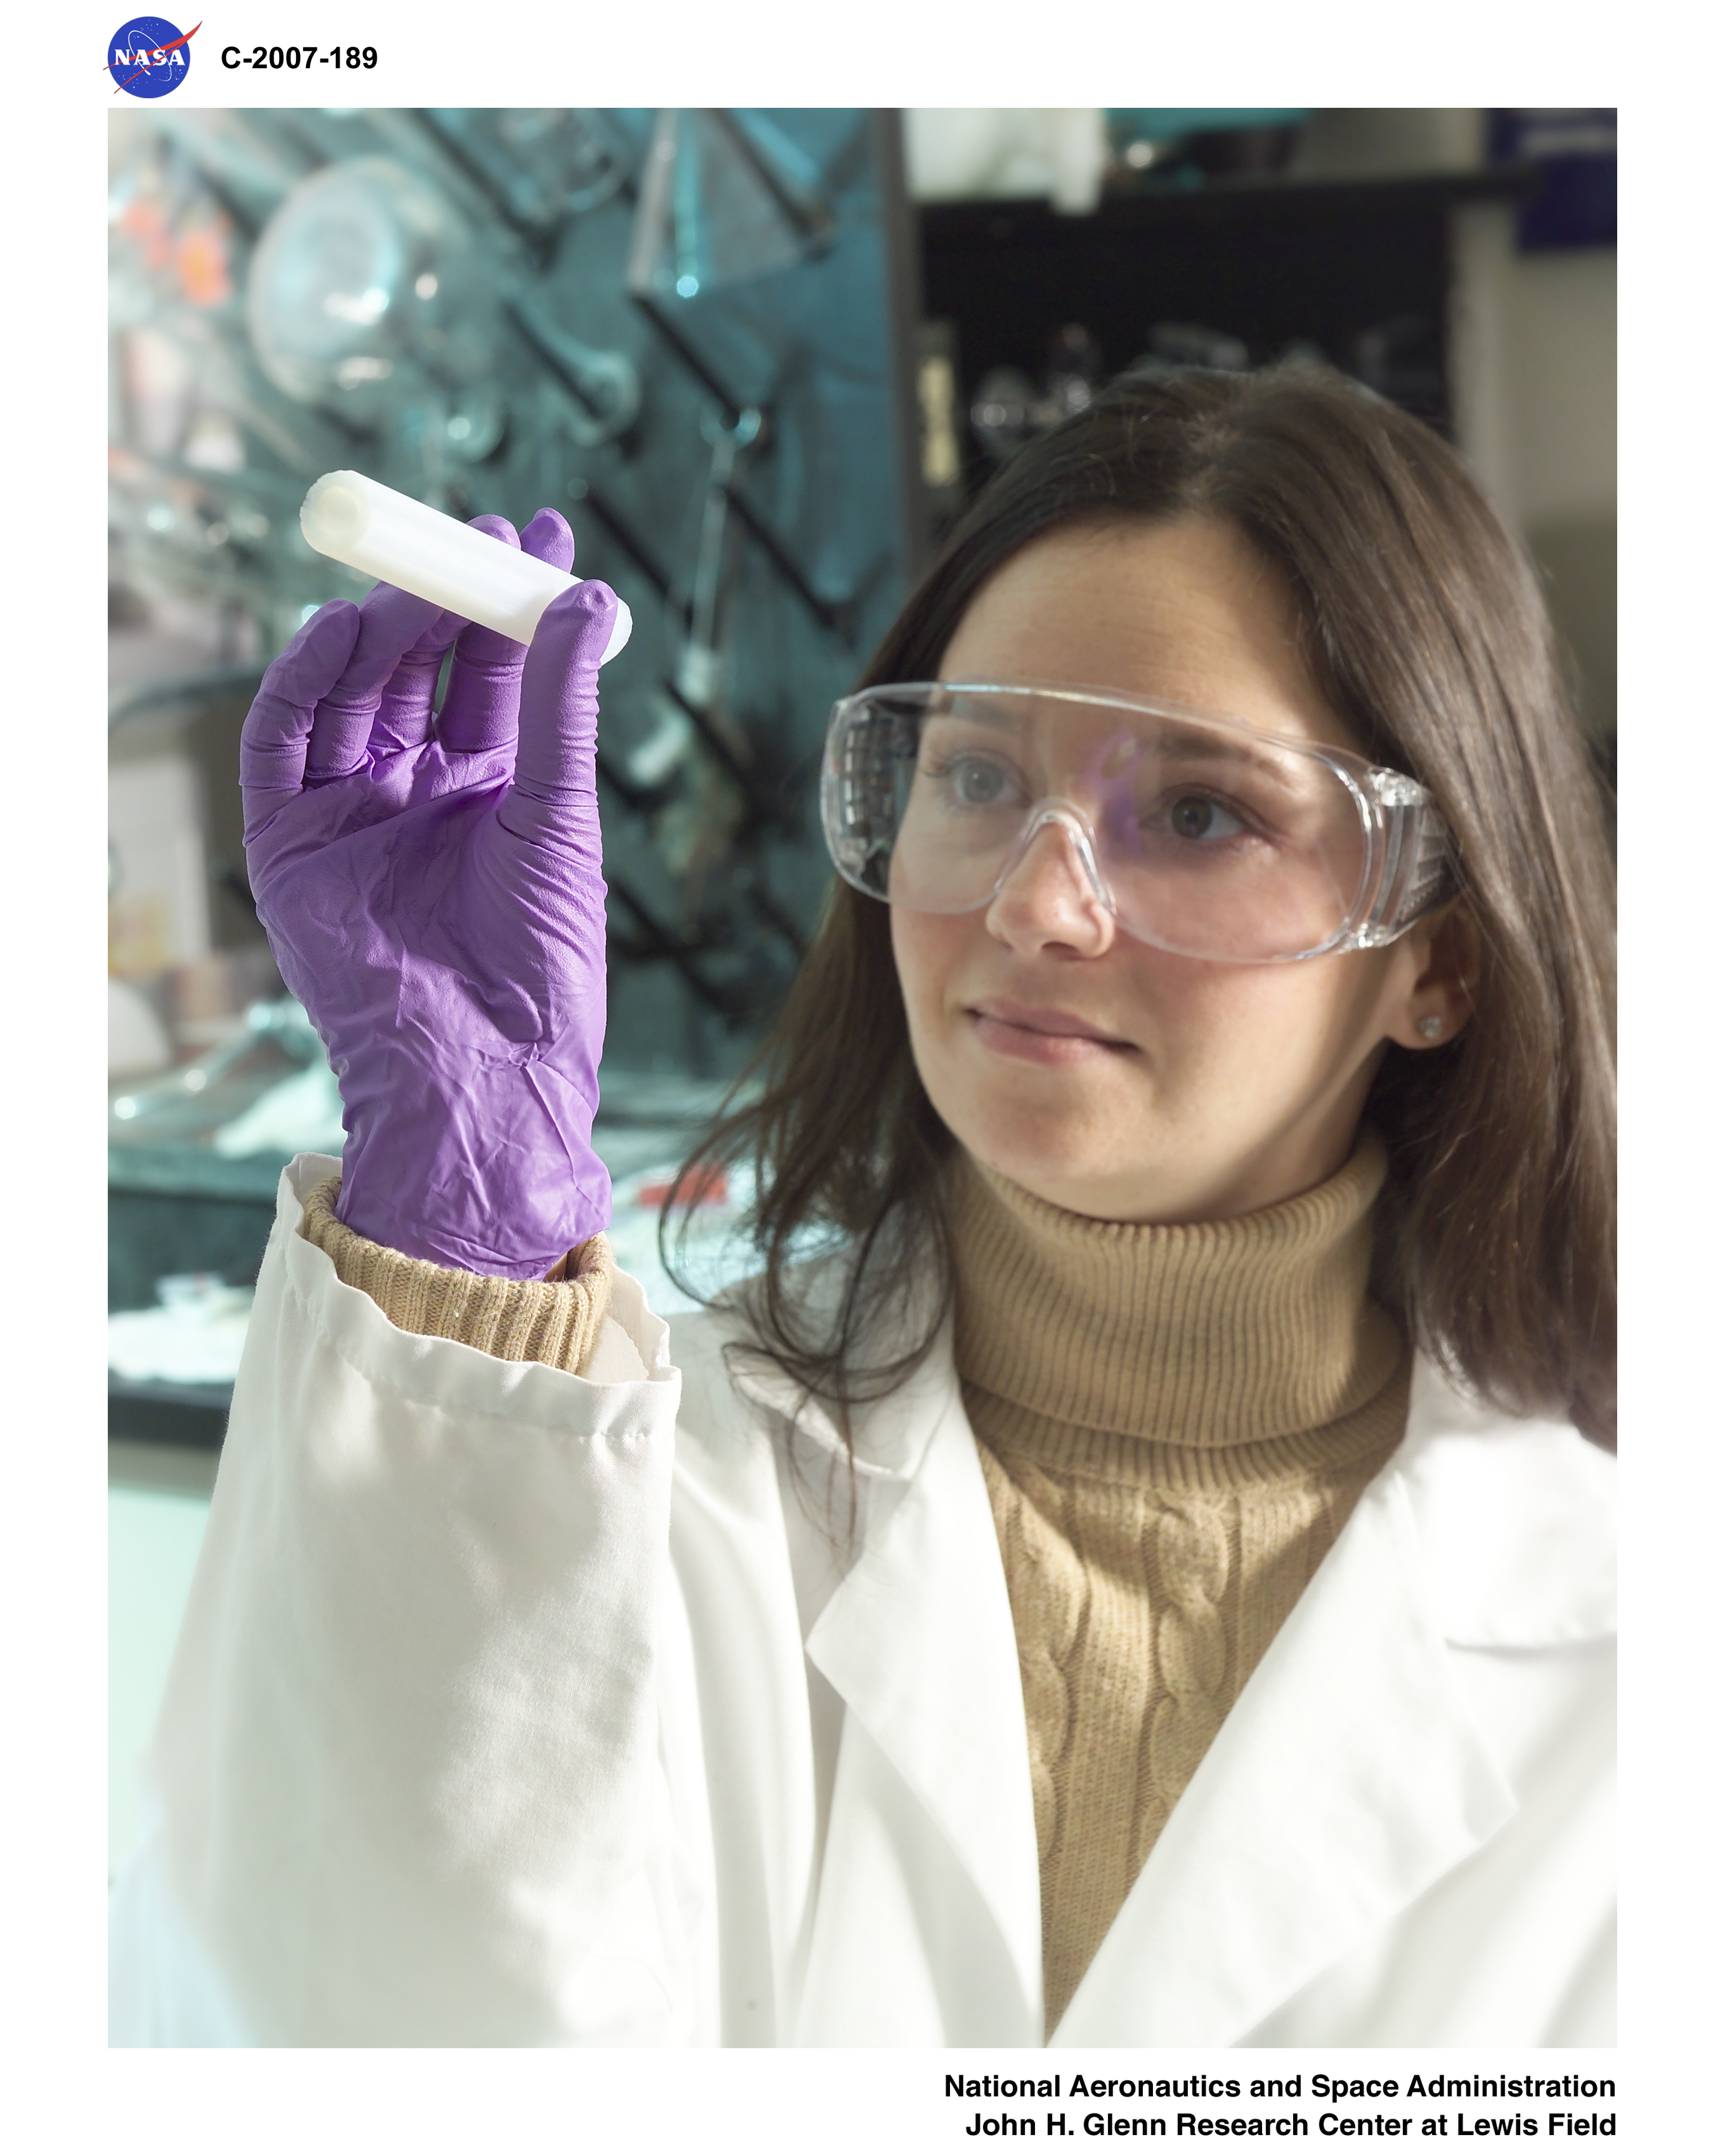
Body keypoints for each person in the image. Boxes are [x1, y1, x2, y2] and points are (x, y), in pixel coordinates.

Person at [110, 365, 1615, 2048]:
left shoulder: (1622, 1634)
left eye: (1199, 814)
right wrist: (448, 1240)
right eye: (977, 779)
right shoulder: (641, 1490)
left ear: (1438, 956)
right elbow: (289, 2033)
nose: (1039, 906)